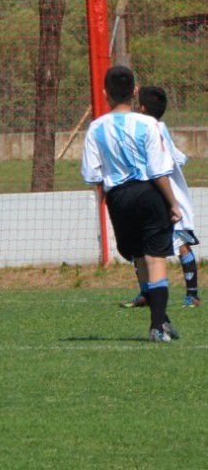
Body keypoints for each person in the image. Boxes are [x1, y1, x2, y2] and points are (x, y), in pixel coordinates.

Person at [80, 66, 182, 343]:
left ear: (104, 93)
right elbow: (159, 170)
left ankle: (161, 319)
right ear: (136, 91)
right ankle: (158, 325)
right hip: (148, 193)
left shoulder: (96, 128)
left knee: (138, 256)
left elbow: (92, 175)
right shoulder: (149, 124)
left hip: (119, 198)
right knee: (155, 257)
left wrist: (106, 203)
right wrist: (173, 203)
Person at [120, 86, 200, 309]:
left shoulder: (154, 128)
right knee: (140, 245)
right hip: (148, 196)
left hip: (165, 196)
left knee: (180, 243)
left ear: (142, 108)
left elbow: (175, 158)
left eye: (138, 103)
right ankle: (147, 294)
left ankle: (192, 295)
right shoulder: (150, 126)